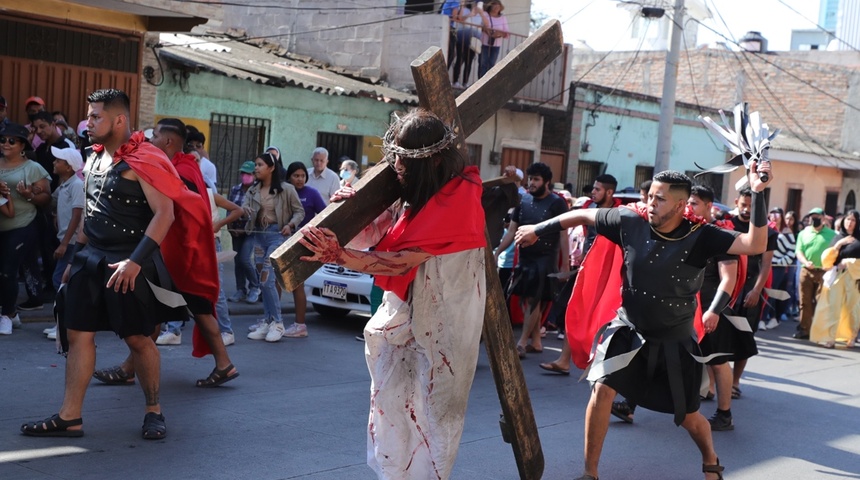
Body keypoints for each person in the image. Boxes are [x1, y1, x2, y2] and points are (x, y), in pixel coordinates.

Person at [515, 165, 773, 480]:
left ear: (680, 205)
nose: (651, 203)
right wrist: (536, 228)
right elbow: (583, 216)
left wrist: (759, 194)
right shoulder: (629, 220)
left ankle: (710, 458)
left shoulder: (703, 235)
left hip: (674, 340)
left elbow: (755, 245)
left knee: (689, 417)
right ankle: (589, 473)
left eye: (660, 199)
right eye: (650, 196)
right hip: (628, 329)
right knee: (601, 389)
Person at [299, 109, 486, 480]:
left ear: (431, 160)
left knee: (432, 423)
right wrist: (351, 212)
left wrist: (340, 255)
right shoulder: (412, 191)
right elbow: (377, 238)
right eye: (396, 155)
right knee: (390, 412)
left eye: (406, 158)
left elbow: (399, 262)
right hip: (399, 324)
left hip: (442, 334)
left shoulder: (460, 198)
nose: (397, 165)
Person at [20, 89, 200, 439]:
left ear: (119, 119)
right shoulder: (94, 158)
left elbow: (166, 214)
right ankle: (70, 416)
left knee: (137, 338)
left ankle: (153, 411)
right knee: (77, 336)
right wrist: (75, 258)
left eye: (96, 117)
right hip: (90, 260)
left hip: (129, 262)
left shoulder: (144, 158)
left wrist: (136, 262)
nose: (88, 123)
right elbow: (92, 215)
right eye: (89, 116)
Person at [687, 184, 748, 432]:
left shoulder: (720, 235)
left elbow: (728, 278)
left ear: (708, 206)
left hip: (710, 309)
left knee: (717, 360)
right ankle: (631, 403)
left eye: (693, 203)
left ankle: (724, 415)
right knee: (657, 349)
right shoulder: (686, 230)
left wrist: (713, 310)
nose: (688, 208)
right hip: (685, 306)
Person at [495, 162, 569, 358]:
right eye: (530, 179)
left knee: (535, 301)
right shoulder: (522, 201)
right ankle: (536, 341)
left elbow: (563, 236)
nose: (531, 183)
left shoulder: (558, 203)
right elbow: (511, 231)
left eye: (536, 179)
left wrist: (565, 265)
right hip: (525, 258)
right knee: (525, 301)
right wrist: (496, 252)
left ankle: (521, 342)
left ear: (547, 182)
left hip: (545, 259)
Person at [243, 152, 304, 342]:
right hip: (259, 236)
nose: (256, 168)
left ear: (271, 168)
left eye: (260, 164)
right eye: (256, 164)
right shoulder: (252, 191)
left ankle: (278, 323)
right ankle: (268, 321)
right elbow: (244, 208)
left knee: (268, 279)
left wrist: (290, 225)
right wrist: (246, 211)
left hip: (278, 236)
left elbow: (299, 212)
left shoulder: (286, 189)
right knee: (263, 282)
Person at [0, 123, 50, 335]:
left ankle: (7, 314)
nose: (5, 144)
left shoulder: (33, 168)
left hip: (22, 225)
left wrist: (28, 194)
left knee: (8, 271)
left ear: (22, 145)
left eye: (11, 140)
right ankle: (13, 314)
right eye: (2, 140)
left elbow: (46, 199)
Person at [726, 188, 775, 399]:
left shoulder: (767, 231)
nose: (746, 210)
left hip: (750, 292)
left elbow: (766, 265)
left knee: (745, 338)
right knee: (718, 338)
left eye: (751, 206)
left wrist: (756, 290)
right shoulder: (725, 225)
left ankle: (735, 382)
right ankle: (714, 383)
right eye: (743, 205)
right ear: (736, 202)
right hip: (726, 290)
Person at [282, 161, 327, 338]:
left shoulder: (312, 193)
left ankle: (300, 325)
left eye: (302, 176)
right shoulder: (284, 192)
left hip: (302, 245)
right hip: (282, 241)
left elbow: (324, 215)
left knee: (297, 284)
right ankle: (272, 321)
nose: (300, 179)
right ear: (289, 177)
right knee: (274, 283)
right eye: (296, 176)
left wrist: (311, 234)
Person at [810, 210, 860, 348]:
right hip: (836, 276)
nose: (850, 222)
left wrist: (849, 263)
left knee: (852, 309)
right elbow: (827, 260)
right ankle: (829, 337)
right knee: (832, 307)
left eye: (853, 220)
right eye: (848, 219)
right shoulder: (838, 238)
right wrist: (839, 245)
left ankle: (850, 336)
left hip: (854, 278)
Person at [794, 207, 836, 340]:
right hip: (806, 271)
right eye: (812, 216)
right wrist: (805, 262)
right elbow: (799, 251)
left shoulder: (832, 234)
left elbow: (836, 252)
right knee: (804, 302)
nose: (814, 219)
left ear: (823, 218)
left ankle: (819, 330)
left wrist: (830, 265)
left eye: (817, 217)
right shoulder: (803, 233)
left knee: (821, 301)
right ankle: (804, 329)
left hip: (824, 272)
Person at [227, 161, 261, 303]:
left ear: (254, 175)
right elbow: (229, 208)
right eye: (243, 173)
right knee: (237, 261)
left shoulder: (258, 192)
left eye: (248, 173)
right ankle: (240, 289)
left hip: (251, 231)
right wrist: (230, 227)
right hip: (235, 230)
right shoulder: (235, 189)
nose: (245, 176)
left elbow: (257, 214)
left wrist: (244, 229)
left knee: (245, 259)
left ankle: (255, 286)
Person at [766, 207, 796, 327]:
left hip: (779, 266)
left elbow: (791, 251)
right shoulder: (767, 229)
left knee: (772, 291)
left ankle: (772, 317)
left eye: (777, 214)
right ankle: (765, 317)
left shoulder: (786, 231)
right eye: (772, 213)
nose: (774, 216)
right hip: (766, 265)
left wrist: (780, 262)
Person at [450, 1, 482, 88]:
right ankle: (455, 81)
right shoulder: (465, 10)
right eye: (475, 4)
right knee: (460, 59)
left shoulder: (481, 15)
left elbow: (481, 26)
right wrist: (470, 14)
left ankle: (465, 82)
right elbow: (460, 20)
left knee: (469, 61)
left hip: (473, 40)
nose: (476, 6)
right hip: (462, 38)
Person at [478, 0, 509, 78]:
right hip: (484, 43)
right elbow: (480, 26)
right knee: (483, 63)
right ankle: (480, 83)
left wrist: (498, 34)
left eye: (498, 6)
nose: (496, 7)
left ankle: (488, 83)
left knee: (492, 64)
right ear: (490, 6)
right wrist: (488, 32)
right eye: (494, 5)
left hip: (496, 45)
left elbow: (506, 32)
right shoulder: (485, 14)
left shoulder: (503, 17)